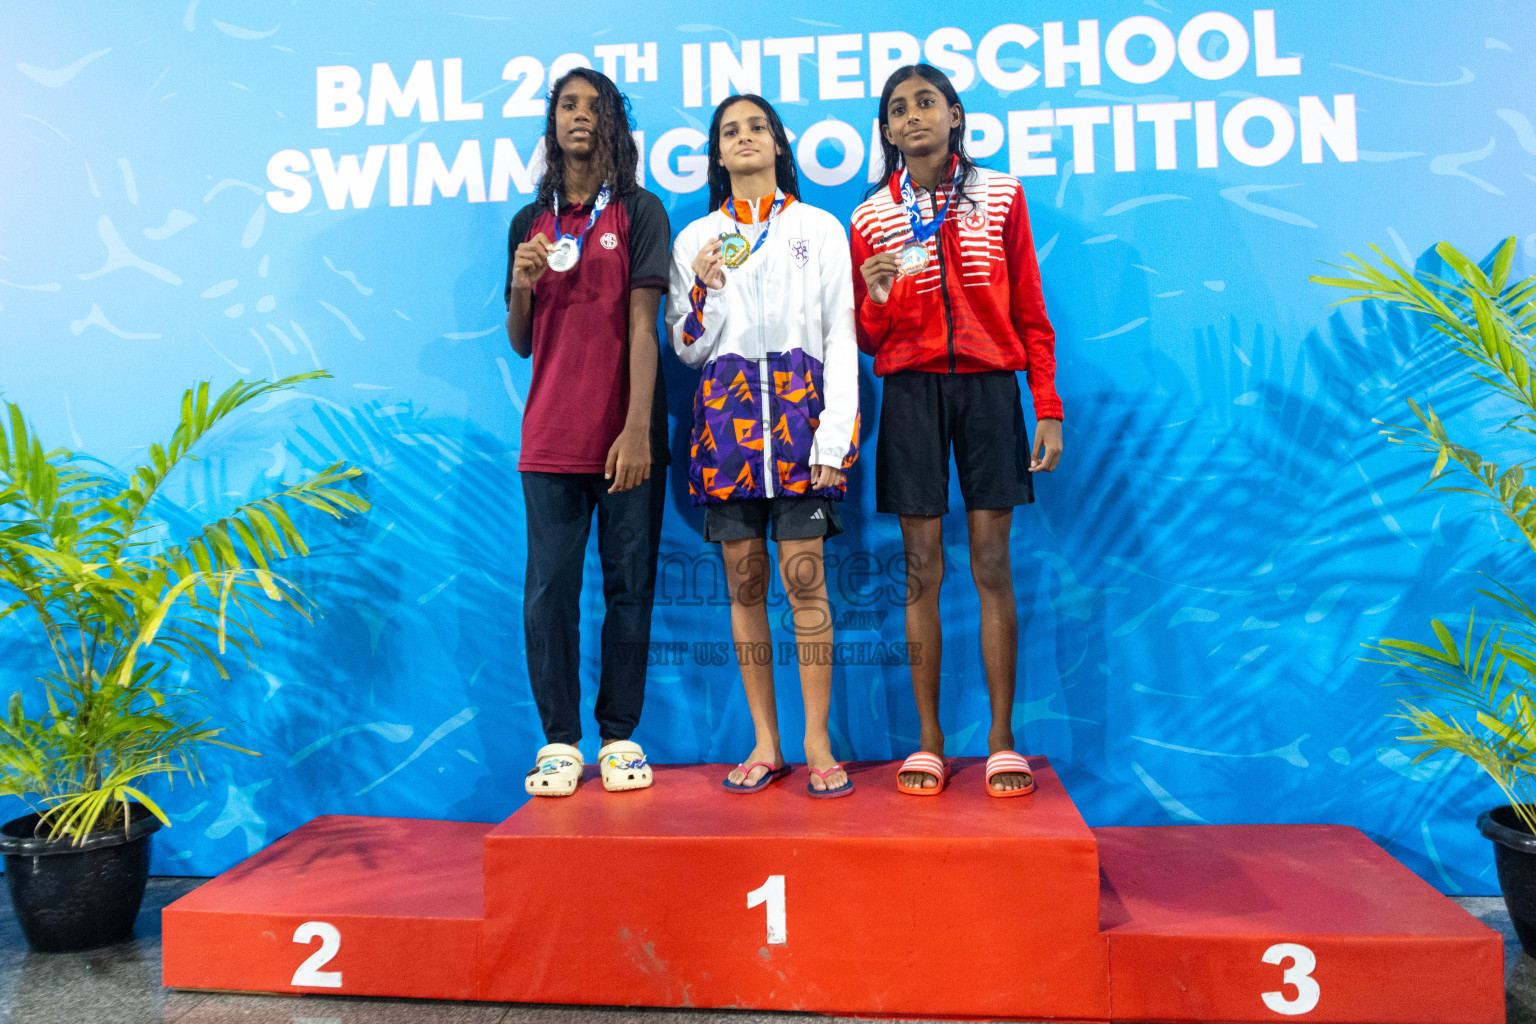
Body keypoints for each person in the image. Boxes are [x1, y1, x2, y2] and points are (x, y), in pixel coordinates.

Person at [849, 64, 1065, 798]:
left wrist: (1048, 407)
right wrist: (876, 301)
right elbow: (871, 337)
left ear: (954, 115)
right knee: (921, 571)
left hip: (988, 387)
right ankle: (930, 741)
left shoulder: (1000, 194)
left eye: (926, 104)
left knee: (990, 563)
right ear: (885, 131)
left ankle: (1003, 739)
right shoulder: (870, 216)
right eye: (897, 110)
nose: (912, 118)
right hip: (909, 392)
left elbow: (1031, 312)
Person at [666, 94, 859, 798]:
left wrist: (834, 436)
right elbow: (688, 351)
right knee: (745, 585)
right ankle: (765, 740)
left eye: (756, 128)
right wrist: (705, 292)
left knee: (804, 582)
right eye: (730, 132)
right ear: (717, 154)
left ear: (779, 144)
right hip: (729, 436)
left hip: (804, 434)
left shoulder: (818, 227)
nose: (744, 139)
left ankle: (816, 740)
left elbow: (842, 335)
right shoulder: (696, 240)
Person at [505, 68, 671, 797]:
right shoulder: (527, 223)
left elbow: (644, 326)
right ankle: (560, 742)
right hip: (549, 438)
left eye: (594, 106)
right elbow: (519, 341)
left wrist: (637, 428)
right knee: (549, 594)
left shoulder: (639, 210)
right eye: (567, 106)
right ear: (552, 123)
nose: (580, 117)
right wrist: (520, 282)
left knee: (628, 589)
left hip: (624, 440)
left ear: (614, 123)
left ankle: (620, 737)